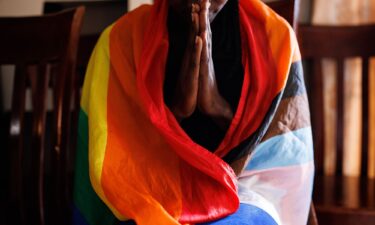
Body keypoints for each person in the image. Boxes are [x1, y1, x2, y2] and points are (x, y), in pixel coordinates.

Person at [73, 0, 314, 225]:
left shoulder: (275, 39)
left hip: (247, 193)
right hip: (151, 189)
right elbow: (119, 164)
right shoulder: (120, 41)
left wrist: (217, 107)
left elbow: (280, 161)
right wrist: (175, 113)